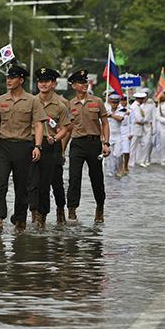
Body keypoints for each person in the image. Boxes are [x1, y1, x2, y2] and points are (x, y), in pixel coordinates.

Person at [0, 63, 46, 234]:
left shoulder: (32, 101)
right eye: (7, 77)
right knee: (0, 184)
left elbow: (38, 125)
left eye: (12, 78)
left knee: (22, 187)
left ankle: (20, 221)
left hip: (23, 146)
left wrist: (38, 146)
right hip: (4, 146)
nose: (8, 80)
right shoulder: (0, 100)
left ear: (21, 80)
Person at [27, 67, 71, 229]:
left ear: (53, 83)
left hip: (52, 146)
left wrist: (60, 145)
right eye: (40, 81)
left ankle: (60, 210)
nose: (43, 84)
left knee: (54, 183)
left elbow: (67, 128)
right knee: (32, 182)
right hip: (32, 143)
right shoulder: (31, 101)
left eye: (46, 81)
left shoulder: (62, 104)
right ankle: (35, 213)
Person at [66, 69, 110, 223]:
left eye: (85, 82)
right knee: (74, 177)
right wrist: (61, 150)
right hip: (77, 144)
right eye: (80, 82)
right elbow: (68, 129)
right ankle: (71, 209)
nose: (84, 85)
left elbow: (105, 123)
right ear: (74, 86)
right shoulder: (70, 104)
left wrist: (106, 143)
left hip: (94, 143)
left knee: (97, 177)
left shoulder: (97, 101)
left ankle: (100, 208)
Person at [104, 93, 125, 177]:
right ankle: (110, 171)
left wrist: (111, 115)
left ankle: (118, 169)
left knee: (118, 154)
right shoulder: (105, 109)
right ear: (109, 102)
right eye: (112, 102)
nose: (114, 104)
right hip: (109, 135)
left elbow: (120, 118)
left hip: (118, 135)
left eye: (116, 102)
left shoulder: (122, 110)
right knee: (109, 156)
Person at [129, 91, 150, 168]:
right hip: (136, 129)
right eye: (143, 99)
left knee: (144, 144)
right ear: (140, 99)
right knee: (133, 146)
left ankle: (140, 160)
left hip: (139, 128)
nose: (144, 100)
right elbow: (139, 119)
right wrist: (146, 120)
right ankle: (131, 162)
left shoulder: (137, 106)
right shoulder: (135, 107)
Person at [119, 96, 131, 174]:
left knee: (126, 150)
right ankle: (120, 166)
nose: (124, 102)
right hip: (118, 130)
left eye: (125, 100)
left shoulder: (130, 110)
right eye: (122, 100)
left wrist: (131, 132)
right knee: (119, 151)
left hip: (127, 131)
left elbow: (132, 122)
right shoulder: (117, 110)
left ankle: (126, 165)